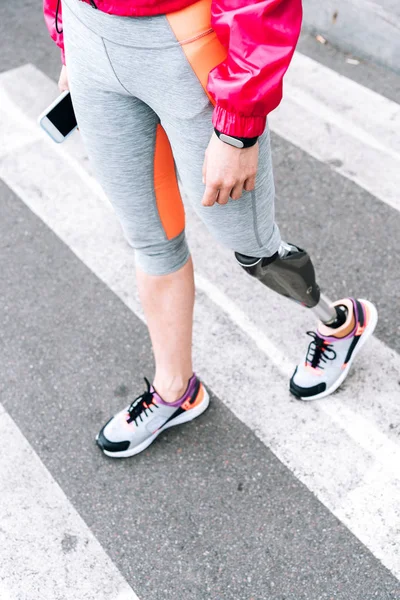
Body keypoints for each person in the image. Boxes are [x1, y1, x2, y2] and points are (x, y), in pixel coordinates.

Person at [43, 0, 377, 458]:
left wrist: (239, 127)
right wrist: (64, 32)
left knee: (254, 249)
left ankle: (340, 324)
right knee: (150, 237)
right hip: (89, 36)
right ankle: (175, 390)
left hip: (184, 42)